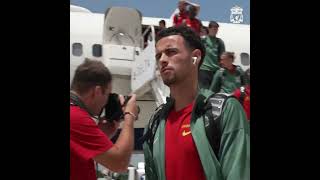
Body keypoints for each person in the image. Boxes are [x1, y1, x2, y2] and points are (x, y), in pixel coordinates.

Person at [143, 26, 250, 180]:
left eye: (171, 52)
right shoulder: (155, 123)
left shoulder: (225, 111)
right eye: (158, 55)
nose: (162, 60)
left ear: (195, 57)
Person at [70, 58, 139, 180]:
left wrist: (101, 135)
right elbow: (120, 163)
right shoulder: (75, 117)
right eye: (107, 94)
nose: (106, 101)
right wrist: (130, 115)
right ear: (97, 91)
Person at [199, 21, 225, 89]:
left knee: (214, 92)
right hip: (204, 70)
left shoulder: (219, 42)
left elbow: (223, 57)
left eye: (216, 29)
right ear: (209, 29)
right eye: (214, 29)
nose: (215, 31)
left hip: (215, 71)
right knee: (204, 92)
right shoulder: (203, 40)